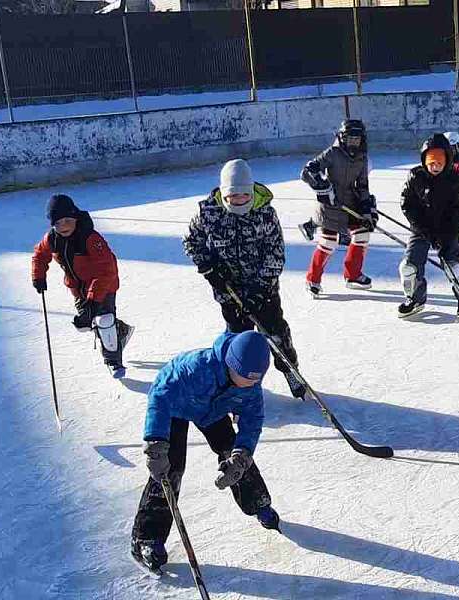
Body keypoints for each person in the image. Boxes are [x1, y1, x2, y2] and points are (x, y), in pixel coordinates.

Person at [130, 331, 281, 574]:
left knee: (235, 456)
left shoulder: (250, 388)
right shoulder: (196, 368)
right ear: (230, 364)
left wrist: (241, 454)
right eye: (243, 378)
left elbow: (252, 422)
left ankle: (258, 502)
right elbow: (159, 395)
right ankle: (146, 539)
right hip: (176, 408)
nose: (248, 384)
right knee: (170, 468)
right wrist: (156, 443)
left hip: (212, 412)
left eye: (254, 380)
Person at [183, 158, 306, 400]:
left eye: (244, 196)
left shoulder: (265, 214)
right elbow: (191, 242)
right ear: (223, 194)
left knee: (276, 333)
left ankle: (290, 370)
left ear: (251, 192)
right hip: (228, 290)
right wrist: (209, 269)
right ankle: (240, 383)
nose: (239, 201)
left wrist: (260, 290)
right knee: (238, 340)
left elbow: (275, 254)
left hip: (263, 289)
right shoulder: (208, 213)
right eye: (233, 196)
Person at [31, 194, 133, 377]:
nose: (63, 226)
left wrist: (94, 301)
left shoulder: (90, 238)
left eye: (67, 220)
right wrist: (38, 276)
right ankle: (120, 330)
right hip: (78, 289)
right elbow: (39, 255)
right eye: (58, 223)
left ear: (76, 217)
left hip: (104, 285)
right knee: (85, 323)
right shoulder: (52, 239)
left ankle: (113, 362)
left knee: (104, 320)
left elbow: (106, 270)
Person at [299, 119, 378, 297]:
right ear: (342, 138)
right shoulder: (332, 153)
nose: (353, 142)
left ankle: (353, 275)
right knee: (328, 242)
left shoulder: (362, 158)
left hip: (350, 203)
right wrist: (323, 187)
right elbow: (307, 171)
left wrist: (367, 210)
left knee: (362, 234)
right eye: (350, 139)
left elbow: (362, 186)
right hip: (329, 205)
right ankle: (312, 279)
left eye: (357, 139)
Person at [398, 133, 459, 320]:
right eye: (431, 163)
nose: (435, 167)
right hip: (422, 228)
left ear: (447, 161)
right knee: (409, 266)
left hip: (447, 229)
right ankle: (415, 298)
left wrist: (447, 234)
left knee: (452, 266)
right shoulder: (416, 177)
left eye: (439, 163)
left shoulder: (454, 179)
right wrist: (423, 229)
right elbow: (407, 205)